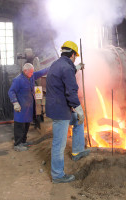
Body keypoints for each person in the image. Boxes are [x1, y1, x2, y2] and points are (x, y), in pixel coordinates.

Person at [46, 41, 90, 184]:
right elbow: (71, 91)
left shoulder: (56, 64)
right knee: (59, 144)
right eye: (75, 57)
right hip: (60, 111)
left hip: (58, 107)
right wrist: (78, 109)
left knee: (78, 121)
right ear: (72, 55)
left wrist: (76, 68)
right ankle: (57, 175)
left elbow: (65, 72)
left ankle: (77, 151)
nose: (75, 59)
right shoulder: (66, 68)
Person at [8, 63, 49, 151]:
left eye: (32, 72)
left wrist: (52, 67)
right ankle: (17, 144)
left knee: (26, 125)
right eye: (31, 71)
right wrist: (15, 102)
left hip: (28, 108)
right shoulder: (18, 80)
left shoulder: (31, 76)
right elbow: (11, 91)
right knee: (19, 126)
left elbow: (42, 72)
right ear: (25, 71)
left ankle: (23, 141)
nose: (32, 73)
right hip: (20, 108)